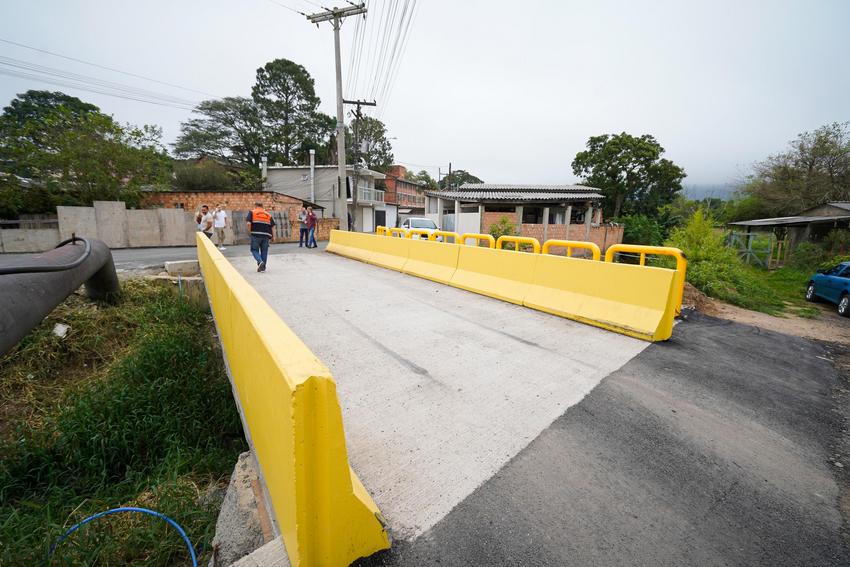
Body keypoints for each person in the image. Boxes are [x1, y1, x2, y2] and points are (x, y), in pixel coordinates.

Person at [246, 202, 275, 271]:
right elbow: (273, 226)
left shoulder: (252, 212)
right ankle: (262, 267)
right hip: (266, 236)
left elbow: (248, 223)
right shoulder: (268, 214)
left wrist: (249, 232)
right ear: (262, 206)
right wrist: (273, 237)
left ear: (255, 206)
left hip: (255, 235)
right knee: (264, 251)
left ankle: (260, 262)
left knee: (254, 250)